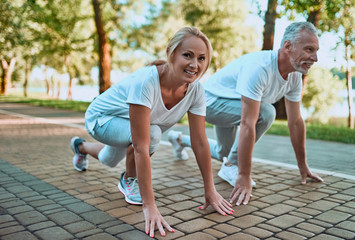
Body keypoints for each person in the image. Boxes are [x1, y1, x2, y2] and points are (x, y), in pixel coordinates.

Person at [70, 26, 233, 238]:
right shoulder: (146, 82)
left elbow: (200, 142)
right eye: (187, 55)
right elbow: (140, 146)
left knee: (109, 159)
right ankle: (129, 180)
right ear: (170, 53)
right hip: (101, 119)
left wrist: (210, 190)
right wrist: (150, 205)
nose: (195, 65)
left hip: (127, 125)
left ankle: (79, 147)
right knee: (152, 134)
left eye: (202, 58)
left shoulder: (196, 90)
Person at [168, 22, 324, 207]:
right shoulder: (260, 68)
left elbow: (296, 121)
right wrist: (243, 175)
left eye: (316, 51)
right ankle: (231, 167)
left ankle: (178, 140)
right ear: (288, 46)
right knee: (265, 113)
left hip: (229, 104)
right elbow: (248, 123)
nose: (315, 57)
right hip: (208, 102)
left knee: (224, 152)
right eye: (309, 49)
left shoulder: (294, 76)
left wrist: (302, 165)